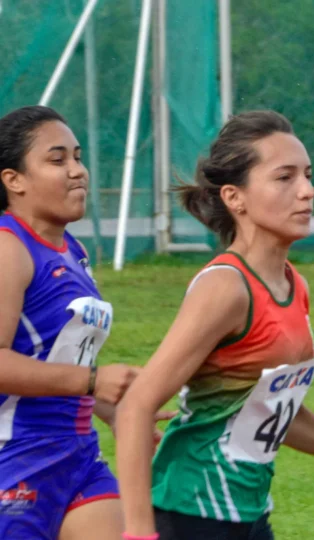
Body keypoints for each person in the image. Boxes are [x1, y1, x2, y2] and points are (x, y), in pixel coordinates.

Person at [114, 111, 314, 540]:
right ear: (235, 198)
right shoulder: (225, 288)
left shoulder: (294, 286)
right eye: (284, 178)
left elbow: (269, 411)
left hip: (249, 515)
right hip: (191, 511)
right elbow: (136, 407)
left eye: (308, 175)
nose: (307, 191)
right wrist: (139, 533)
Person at [0, 106, 149, 539]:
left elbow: (56, 358)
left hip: (78, 455)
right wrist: (92, 381)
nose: (77, 171)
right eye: (57, 159)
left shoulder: (72, 251)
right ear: (13, 180)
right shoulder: (9, 250)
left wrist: (112, 409)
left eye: (78, 157)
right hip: (15, 459)